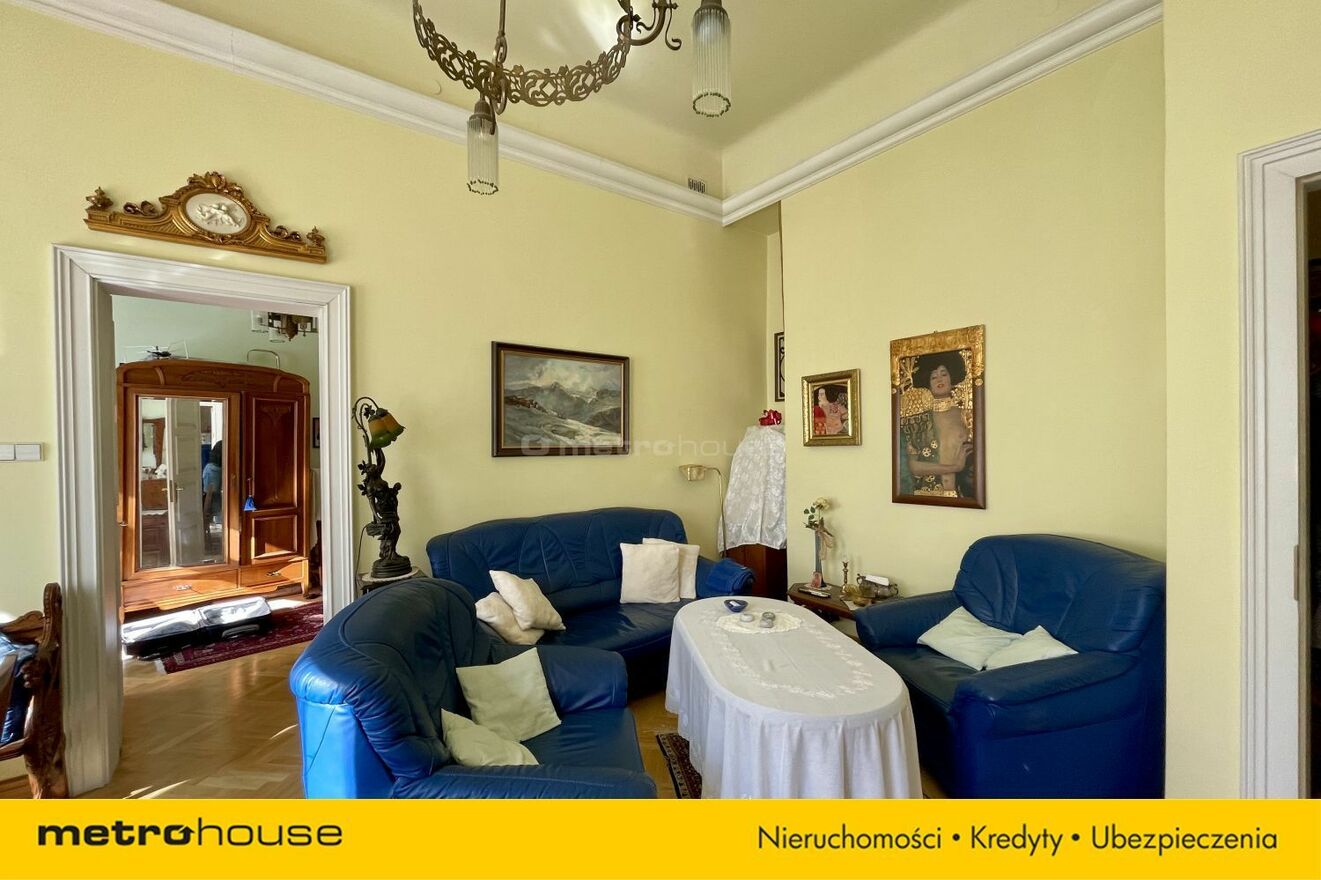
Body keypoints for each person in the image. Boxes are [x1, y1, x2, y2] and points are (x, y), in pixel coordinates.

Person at [899, 351, 975, 497]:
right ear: (927, 382)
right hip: (926, 494)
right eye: (933, 376)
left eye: (943, 374)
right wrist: (955, 467)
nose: (939, 379)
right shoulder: (918, 420)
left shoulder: (967, 415)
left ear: (952, 377)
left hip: (961, 494)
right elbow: (913, 466)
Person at [201, 441, 223, 524]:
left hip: (211, 468)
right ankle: (217, 519)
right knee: (213, 496)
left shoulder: (210, 467)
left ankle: (216, 519)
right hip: (213, 469)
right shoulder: (214, 470)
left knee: (211, 495)